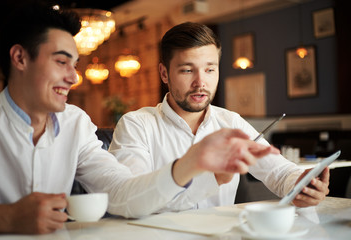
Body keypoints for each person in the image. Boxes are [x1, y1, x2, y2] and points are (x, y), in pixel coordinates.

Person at [0, 5, 280, 235]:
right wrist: (6, 217)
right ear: (20, 58)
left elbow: (122, 196)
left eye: (75, 64)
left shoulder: (75, 123)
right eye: (61, 62)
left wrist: (191, 163)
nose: (74, 77)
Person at [109, 22, 330, 212]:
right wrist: (211, 179)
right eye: (187, 70)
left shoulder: (230, 121)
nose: (200, 82)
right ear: (164, 73)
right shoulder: (136, 125)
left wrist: (300, 184)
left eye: (210, 70)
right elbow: (131, 201)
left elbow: (278, 171)